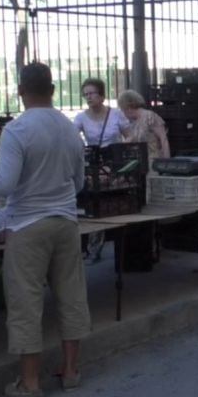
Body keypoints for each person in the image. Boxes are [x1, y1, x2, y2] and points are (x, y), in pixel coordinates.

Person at [0, 62, 90, 397]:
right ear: (53, 89)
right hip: (66, 222)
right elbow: (79, 182)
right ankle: (71, 371)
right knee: (71, 295)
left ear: (20, 91)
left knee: (26, 302)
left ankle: (30, 383)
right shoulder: (70, 128)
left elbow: (4, 184)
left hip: (27, 226)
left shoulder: (17, 130)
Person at [75, 78, 131, 263]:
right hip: (95, 164)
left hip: (114, 162)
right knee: (94, 203)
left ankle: (106, 248)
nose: (89, 97)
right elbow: (73, 137)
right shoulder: (81, 118)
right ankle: (92, 249)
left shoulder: (115, 115)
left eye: (92, 93)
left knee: (111, 202)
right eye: (86, 94)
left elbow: (129, 136)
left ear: (102, 95)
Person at [117, 89, 170, 162]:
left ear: (128, 107)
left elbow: (163, 139)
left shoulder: (149, 117)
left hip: (154, 161)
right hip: (139, 162)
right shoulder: (131, 122)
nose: (122, 112)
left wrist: (166, 161)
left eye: (122, 109)